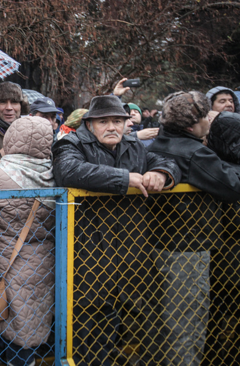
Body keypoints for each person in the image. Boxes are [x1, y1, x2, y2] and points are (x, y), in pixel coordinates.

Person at [52, 95, 180, 366]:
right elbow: (69, 171)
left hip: (133, 248)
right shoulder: (71, 143)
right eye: (104, 121)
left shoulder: (136, 145)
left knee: (142, 316)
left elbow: (169, 162)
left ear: (126, 123)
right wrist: (126, 178)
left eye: (117, 121)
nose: (111, 127)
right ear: (89, 124)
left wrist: (161, 173)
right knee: (93, 319)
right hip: (90, 248)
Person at [147, 91, 240, 366]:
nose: (209, 121)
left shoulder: (157, 145)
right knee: (188, 321)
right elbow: (232, 187)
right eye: (204, 117)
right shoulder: (195, 152)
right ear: (191, 126)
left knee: (160, 322)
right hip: (189, 248)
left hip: (157, 244)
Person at [0, 117, 57, 366]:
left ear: (11, 138)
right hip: (46, 261)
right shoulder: (56, 174)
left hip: (7, 259)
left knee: (2, 313)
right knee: (32, 317)